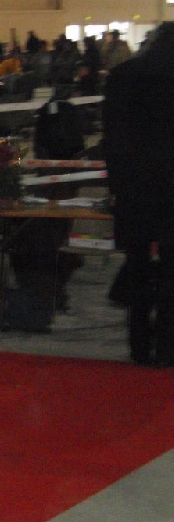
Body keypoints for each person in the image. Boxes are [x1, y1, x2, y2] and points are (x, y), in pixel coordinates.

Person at [103, 22, 174, 366]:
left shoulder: (122, 76)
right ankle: (168, 347)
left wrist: (116, 187)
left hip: (135, 189)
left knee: (138, 268)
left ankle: (139, 345)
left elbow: (111, 140)